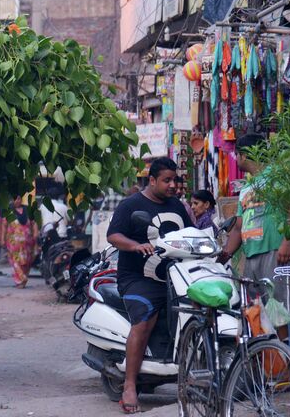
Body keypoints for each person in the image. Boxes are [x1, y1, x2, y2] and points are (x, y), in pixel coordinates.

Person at [106, 157, 192, 414]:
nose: (172, 185)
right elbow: (113, 235)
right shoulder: (131, 205)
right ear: (152, 180)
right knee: (144, 320)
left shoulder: (177, 206)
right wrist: (135, 245)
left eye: (174, 180)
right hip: (138, 279)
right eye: (166, 180)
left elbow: (189, 234)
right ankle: (130, 385)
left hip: (174, 279)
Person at [218, 134, 290, 307]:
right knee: (256, 312)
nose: (236, 160)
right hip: (251, 254)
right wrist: (225, 254)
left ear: (244, 155)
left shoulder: (277, 176)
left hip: (274, 250)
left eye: (236, 155)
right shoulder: (246, 188)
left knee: (281, 309)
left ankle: (286, 336)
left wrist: (286, 242)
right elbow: (238, 227)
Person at [0, 196, 39, 288]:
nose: (17, 201)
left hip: (28, 242)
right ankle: (21, 279)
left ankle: (23, 281)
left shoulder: (28, 210)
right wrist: (2, 238)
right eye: (15, 199)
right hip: (13, 242)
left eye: (18, 199)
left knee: (27, 261)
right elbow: (4, 225)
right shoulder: (8, 211)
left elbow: (34, 223)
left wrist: (35, 234)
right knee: (15, 261)